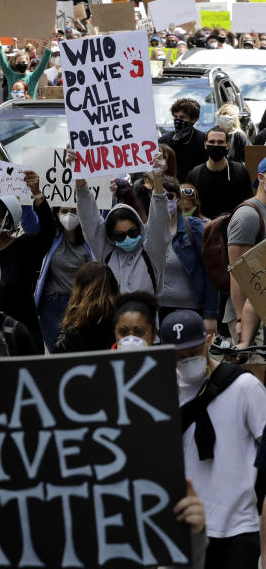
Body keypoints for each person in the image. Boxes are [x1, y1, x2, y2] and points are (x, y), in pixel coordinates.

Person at [162, 309, 266, 568]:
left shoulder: (244, 387)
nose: (187, 360)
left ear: (209, 341)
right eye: (179, 356)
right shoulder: (160, 396)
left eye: (194, 352)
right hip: (188, 528)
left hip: (239, 527)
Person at [74, 151, 170, 295]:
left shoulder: (151, 253)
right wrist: (80, 179)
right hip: (113, 317)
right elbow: (89, 220)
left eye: (132, 232)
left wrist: (157, 178)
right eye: (120, 236)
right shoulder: (106, 252)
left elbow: (160, 221)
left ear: (140, 229)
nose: (127, 238)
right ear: (111, 238)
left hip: (145, 317)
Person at [0, 172, 54, 348]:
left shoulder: (24, 247)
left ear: (7, 221)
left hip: (24, 341)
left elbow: (48, 232)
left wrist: (37, 194)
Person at [161, 176, 218, 332]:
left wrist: (210, 314)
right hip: (158, 312)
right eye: (158, 196)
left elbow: (209, 271)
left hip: (191, 311)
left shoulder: (193, 227)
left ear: (177, 199)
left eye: (169, 196)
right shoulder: (147, 231)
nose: (164, 201)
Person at [34, 206, 94, 350]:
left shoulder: (90, 237)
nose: (69, 216)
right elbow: (29, 221)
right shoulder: (50, 236)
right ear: (56, 213)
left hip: (81, 305)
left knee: (82, 353)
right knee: (58, 356)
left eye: (74, 211)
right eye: (64, 211)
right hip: (52, 306)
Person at [227, 157, 266, 348]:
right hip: (248, 318)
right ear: (262, 177)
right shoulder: (248, 215)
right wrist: (242, 321)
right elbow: (237, 273)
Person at [185, 126, 251, 220]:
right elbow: (189, 208)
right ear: (205, 144)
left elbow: (248, 204)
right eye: (212, 142)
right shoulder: (194, 174)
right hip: (205, 230)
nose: (216, 145)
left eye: (220, 142)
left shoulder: (240, 171)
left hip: (233, 228)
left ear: (227, 145)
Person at [54, 262, 119, 353]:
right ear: (114, 286)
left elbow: (56, 356)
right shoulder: (123, 322)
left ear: (79, 290)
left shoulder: (74, 331)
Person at [159, 98, 207, 184]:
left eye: (182, 117)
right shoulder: (164, 140)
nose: (177, 120)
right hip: (170, 187)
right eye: (175, 117)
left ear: (193, 119)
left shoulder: (203, 139)